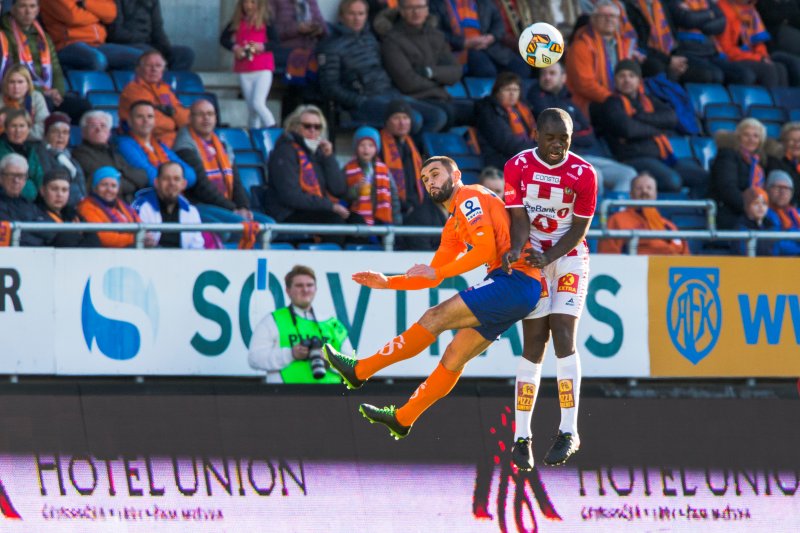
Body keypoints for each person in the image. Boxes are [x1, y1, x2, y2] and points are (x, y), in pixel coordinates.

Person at [324, 156, 542, 439]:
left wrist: (436, 270)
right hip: (516, 286)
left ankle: (360, 370)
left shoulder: (468, 196)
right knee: (453, 356)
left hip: (514, 280)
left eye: (436, 174)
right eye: (425, 179)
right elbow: (434, 276)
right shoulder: (453, 223)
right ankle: (403, 418)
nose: (430, 182)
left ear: (456, 174)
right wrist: (388, 282)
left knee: (434, 317)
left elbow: (485, 249)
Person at [503, 108, 598, 470]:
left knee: (562, 330)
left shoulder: (584, 173)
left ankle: (568, 431)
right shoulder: (517, 166)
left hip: (569, 255)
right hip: (533, 255)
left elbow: (579, 227)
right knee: (533, 341)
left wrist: (552, 255)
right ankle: (521, 438)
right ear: (536, 135)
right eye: (551, 138)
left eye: (565, 138)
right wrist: (517, 250)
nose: (558, 145)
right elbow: (518, 217)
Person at [316, 0, 448, 133]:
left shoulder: (370, 38)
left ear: (366, 15)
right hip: (363, 102)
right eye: (352, 14)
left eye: (361, 14)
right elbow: (329, 87)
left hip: (390, 93)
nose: (357, 19)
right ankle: (399, 151)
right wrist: (358, 100)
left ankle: (412, 151)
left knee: (438, 116)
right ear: (341, 16)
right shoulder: (330, 46)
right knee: (414, 119)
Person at [593, 59, 708, 196]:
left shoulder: (648, 101)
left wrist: (640, 117)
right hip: (633, 158)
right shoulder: (611, 104)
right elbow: (628, 130)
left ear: (639, 80)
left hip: (663, 157)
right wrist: (660, 130)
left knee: (704, 177)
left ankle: (694, 212)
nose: (627, 80)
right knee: (673, 181)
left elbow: (671, 117)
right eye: (622, 76)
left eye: (631, 76)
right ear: (615, 80)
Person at [529, 61, 637, 196]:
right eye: (544, 74)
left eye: (552, 73)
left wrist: (569, 132)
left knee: (628, 174)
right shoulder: (535, 97)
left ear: (563, 78)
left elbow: (589, 135)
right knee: (594, 174)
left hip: (583, 155)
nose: (547, 77)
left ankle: (617, 213)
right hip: (558, 158)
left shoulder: (568, 100)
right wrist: (573, 129)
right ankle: (595, 216)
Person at [374, 0, 471, 129]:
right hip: (417, 99)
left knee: (481, 109)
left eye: (420, 7)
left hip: (442, 97)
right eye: (410, 8)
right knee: (443, 116)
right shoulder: (392, 41)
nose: (416, 12)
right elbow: (408, 83)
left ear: (427, 10)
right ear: (401, 11)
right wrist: (441, 80)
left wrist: (430, 72)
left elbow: (456, 71)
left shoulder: (436, 35)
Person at [249, 264, 353, 384]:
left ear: (316, 289)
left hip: (330, 397)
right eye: (299, 286)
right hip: (286, 395)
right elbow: (254, 359)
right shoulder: (273, 320)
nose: (305, 290)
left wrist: (330, 360)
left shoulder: (332, 323)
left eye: (310, 285)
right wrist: (291, 353)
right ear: (288, 291)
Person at [173, 99, 269, 224]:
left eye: (210, 114)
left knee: (268, 224)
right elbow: (202, 187)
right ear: (190, 118)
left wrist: (243, 207)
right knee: (241, 225)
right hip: (200, 206)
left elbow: (237, 184)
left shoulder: (223, 146)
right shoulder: (184, 146)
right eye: (200, 114)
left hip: (226, 206)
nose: (206, 118)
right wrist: (233, 209)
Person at [263, 105, 351, 239]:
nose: (313, 131)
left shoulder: (319, 152)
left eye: (317, 127)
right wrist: (329, 206)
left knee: (357, 221)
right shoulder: (285, 151)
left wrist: (329, 158)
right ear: (295, 126)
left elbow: (338, 189)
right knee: (335, 223)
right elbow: (291, 196)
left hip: (315, 209)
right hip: (289, 213)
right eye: (307, 126)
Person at [566, 0, 636, 118]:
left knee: (661, 109)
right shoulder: (581, 46)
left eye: (613, 16)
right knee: (620, 116)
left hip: (620, 96)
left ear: (618, 21)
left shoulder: (625, 45)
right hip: (592, 102)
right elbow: (585, 85)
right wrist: (614, 98)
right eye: (603, 16)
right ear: (593, 20)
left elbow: (635, 76)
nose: (609, 19)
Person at [429, 0, 528, 78]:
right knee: (486, 70)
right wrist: (463, 43)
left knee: (522, 68)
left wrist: (491, 37)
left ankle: (519, 102)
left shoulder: (484, 2)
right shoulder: (436, 3)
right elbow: (435, 33)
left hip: (489, 46)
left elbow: (498, 24)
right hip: (459, 48)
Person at [598, 171, 690, 254]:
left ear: (656, 194)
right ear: (631, 194)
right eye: (639, 188)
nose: (645, 191)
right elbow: (607, 256)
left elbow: (687, 259)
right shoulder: (617, 220)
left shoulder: (669, 226)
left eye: (649, 188)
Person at [668, 0, 756, 85]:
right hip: (687, 54)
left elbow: (721, 22)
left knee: (746, 76)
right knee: (714, 75)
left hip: (710, 54)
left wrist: (699, 20)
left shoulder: (706, 1)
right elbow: (687, 19)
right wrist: (710, 14)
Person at [220, 0, 278, 129]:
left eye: (253, 2)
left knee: (258, 103)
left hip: (262, 68)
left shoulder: (266, 21)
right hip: (244, 69)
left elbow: (275, 42)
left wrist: (261, 46)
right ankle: (254, 134)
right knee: (251, 108)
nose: (249, 6)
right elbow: (223, 39)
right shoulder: (237, 21)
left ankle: (273, 128)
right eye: (246, 2)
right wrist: (235, 48)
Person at [40, 0, 143, 71]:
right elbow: (73, 18)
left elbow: (111, 14)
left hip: (98, 45)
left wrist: (85, 3)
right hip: (68, 45)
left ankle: (129, 99)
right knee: (97, 60)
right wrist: (99, 16)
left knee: (142, 59)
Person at [716, 0, 800, 86]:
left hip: (751, 57)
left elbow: (759, 43)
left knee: (780, 69)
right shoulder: (723, 9)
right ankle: (762, 99)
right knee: (768, 71)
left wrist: (764, 56)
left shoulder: (751, 10)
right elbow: (727, 50)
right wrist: (759, 58)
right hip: (733, 58)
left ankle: (783, 99)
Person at [72, 110, 148, 203]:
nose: (98, 129)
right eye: (93, 126)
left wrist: (122, 172)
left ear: (109, 132)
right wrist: (132, 183)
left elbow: (143, 177)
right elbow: (105, 183)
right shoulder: (80, 154)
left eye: (103, 126)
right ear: (83, 133)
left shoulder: (114, 151)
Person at [116, 100, 196, 188]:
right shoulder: (124, 144)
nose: (145, 120)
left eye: (150, 116)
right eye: (140, 116)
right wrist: (176, 181)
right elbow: (150, 177)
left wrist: (171, 183)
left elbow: (191, 175)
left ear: (154, 121)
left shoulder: (159, 145)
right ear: (130, 121)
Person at [118, 51, 190, 147]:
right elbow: (152, 124)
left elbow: (187, 120)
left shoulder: (165, 89)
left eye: (158, 66)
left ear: (163, 70)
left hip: (174, 140)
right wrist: (175, 123)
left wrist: (173, 113)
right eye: (149, 65)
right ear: (138, 69)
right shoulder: (133, 90)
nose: (154, 69)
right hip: (149, 142)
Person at [131, 161, 204, 249]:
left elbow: (197, 248)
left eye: (176, 179)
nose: (172, 183)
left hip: (184, 261)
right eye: (166, 178)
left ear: (183, 184)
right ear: (156, 182)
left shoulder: (191, 211)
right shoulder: (141, 207)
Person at [710, 118, 768, 229]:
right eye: (746, 135)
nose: (751, 139)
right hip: (731, 213)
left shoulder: (757, 162)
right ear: (738, 138)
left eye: (756, 136)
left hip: (752, 212)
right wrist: (749, 208)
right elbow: (727, 188)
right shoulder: (727, 156)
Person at [106, 0, 195, 71]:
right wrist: (149, 46)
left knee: (185, 54)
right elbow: (116, 33)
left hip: (148, 44)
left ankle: (171, 90)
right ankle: (155, 89)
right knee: (152, 58)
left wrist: (165, 50)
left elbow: (158, 28)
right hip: (125, 44)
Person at [475, 72, 536, 170]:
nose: (512, 93)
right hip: (498, 162)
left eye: (516, 90)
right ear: (497, 92)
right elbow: (506, 142)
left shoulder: (523, 109)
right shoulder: (489, 110)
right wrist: (536, 151)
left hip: (520, 157)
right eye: (507, 89)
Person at [343, 126, 402, 226]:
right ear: (356, 148)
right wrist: (357, 188)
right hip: (358, 219)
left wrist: (396, 220)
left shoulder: (384, 169)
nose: (366, 149)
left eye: (371, 145)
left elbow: (393, 195)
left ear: (376, 149)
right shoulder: (347, 169)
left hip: (381, 219)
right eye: (362, 145)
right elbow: (344, 196)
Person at [76, 166, 141, 248]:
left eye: (113, 186)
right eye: (104, 185)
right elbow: (103, 237)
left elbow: (140, 224)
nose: (109, 189)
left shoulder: (122, 205)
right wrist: (137, 238)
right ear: (94, 187)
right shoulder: (86, 207)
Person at [34, 167, 99, 247]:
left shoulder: (73, 215)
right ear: (43, 190)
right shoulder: (33, 214)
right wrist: (74, 233)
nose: (59, 195)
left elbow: (95, 241)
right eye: (54, 189)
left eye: (64, 190)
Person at [37, 112, 86, 205]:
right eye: (55, 131)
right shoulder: (42, 155)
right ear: (46, 134)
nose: (61, 136)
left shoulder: (71, 157)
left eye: (65, 132)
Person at [0, 152, 47, 245]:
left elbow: (49, 232)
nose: (16, 180)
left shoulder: (29, 205)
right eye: (11, 175)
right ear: (1, 177)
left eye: (20, 176)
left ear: (25, 180)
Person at [269, 0, 328, 73]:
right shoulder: (274, 2)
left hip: (311, 49)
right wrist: (297, 28)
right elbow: (271, 34)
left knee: (327, 59)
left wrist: (319, 30)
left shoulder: (311, 1)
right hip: (286, 50)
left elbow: (325, 30)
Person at [0, 109, 42, 201]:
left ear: (28, 129)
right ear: (6, 129)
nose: (18, 130)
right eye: (13, 126)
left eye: (22, 126)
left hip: (32, 204)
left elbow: (39, 178)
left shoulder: (31, 151)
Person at [1, 64, 47, 140]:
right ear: (6, 84)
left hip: (32, 143)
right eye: (12, 82)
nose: (16, 87)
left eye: (20, 82)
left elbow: (43, 128)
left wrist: (18, 135)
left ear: (28, 84)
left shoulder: (36, 98)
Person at [763, 169, 800, 255]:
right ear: (767, 190)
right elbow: (776, 245)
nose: (783, 192)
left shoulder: (796, 212)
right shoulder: (763, 213)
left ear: (792, 193)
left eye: (787, 188)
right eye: (778, 187)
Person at [734, 185, 776, 256]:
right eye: (756, 203)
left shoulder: (771, 226)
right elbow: (740, 252)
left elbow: (775, 251)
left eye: (764, 204)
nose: (761, 207)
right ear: (747, 206)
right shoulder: (741, 227)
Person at [766, 122, 800, 206]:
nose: (797, 144)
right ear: (784, 143)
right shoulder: (775, 163)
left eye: (799, 140)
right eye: (792, 140)